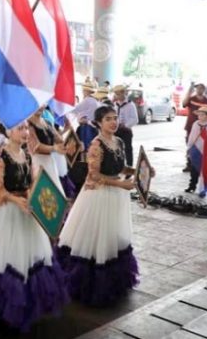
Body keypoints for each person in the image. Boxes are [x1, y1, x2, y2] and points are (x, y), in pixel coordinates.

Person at [0, 122, 69, 331]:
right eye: (20, 129)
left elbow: (31, 184)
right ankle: (2, 306)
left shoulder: (27, 155)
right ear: (9, 132)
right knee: (5, 258)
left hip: (26, 211)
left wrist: (34, 197)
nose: (25, 132)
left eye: (26, 128)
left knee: (30, 258)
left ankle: (27, 303)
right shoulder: (1, 158)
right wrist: (17, 201)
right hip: (7, 214)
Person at [57, 106, 147, 307]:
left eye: (115, 118)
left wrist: (140, 171)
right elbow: (94, 175)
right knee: (96, 236)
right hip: (98, 196)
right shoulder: (96, 145)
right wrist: (120, 184)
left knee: (112, 234)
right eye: (108, 119)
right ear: (98, 122)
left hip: (115, 195)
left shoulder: (119, 141)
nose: (113, 122)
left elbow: (120, 167)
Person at [28, 105, 76, 198]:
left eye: (42, 104)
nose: (40, 107)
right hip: (38, 162)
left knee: (56, 193)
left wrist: (69, 134)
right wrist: (54, 148)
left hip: (50, 161)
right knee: (43, 194)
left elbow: (58, 139)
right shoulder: (28, 123)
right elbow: (36, 147)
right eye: (37, 104)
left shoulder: (47, 122)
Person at [181, 82, 207, 172]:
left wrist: (205, 118)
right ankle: (190, 164)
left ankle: (203, 165)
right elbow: (184, 104)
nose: (199, 90)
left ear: (204, 89)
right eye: (197, 88)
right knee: (190, 145)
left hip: (203, 128)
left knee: (202, 146)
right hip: (191, 126)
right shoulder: (191, 99)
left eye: (201, 88)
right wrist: (189, 91)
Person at [186, 106, 207, 198]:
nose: (200, 116)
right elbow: (192, 136)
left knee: (204, 169)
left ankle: (203, 189)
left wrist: (206, 141)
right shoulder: (195, 124)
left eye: (202, 115)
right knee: (193, 169)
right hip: (195, 149)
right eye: (199, 115)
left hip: (206, 150)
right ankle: (192, 186)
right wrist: (189, 147)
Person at [112, 85, 138, 167]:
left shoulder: (130, 105)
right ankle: (119, 166)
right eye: (116, 94)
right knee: (116, 149)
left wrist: (126, 125)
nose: (117, 96)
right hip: (116, 130)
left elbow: (135, 119)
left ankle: (129, 167)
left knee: (128, 149)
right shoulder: (115, 105)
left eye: (118, 94)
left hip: (126, 130)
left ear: (123, 93)